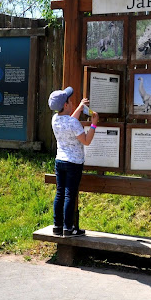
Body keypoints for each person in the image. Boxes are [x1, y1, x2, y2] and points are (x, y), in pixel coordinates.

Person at [48, 86, 99, 237]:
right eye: (70, 101)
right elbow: (86, 141)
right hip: (74, 163)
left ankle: (58, 227)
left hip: (60, 161)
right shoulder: (73, 123)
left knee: (60, 193)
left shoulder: (55, 119)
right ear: (65, 105)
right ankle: (69, 229)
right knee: (70, 195)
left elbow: (70, 121)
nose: (71, 103)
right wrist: (94, 123)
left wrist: (79, 107)